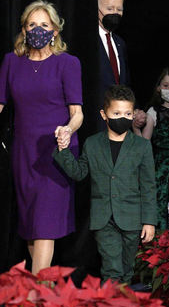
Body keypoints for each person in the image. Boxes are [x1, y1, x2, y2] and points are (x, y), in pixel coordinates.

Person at [0, 0, 83, 275]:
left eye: (44, 25)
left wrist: (68, 130)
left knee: (45, 224)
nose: (38, 29)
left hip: (57, 150)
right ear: (23, 29)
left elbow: (77, 113)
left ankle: (36, 296)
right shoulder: (12, 62)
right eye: (32, 24)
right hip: (25, 152)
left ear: (55, 31)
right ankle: (42, 289)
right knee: (32, 226)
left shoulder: (68, 63)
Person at [53, 85, 156, 283]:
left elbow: (149, 185)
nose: (122, 117)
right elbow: (79, 172)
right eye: (116, 113)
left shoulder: (142, 146)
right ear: (104, 114)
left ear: (133, 114)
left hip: (132, 218)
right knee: (112, 269)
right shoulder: (92, 143)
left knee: (127, 269)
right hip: (104, 219)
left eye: (127, 113)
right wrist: (63, 150)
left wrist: (149, 221)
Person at [133, 68, 169, 230]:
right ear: (158, 88)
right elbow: (144, 143)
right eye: (166, 85)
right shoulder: (154, 112)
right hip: (161, 167)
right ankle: (159, 241)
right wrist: (135, 128)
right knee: (160, 201)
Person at [96, 0, 146, 132]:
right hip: (95, 121)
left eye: (119, 10)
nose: (115, 14)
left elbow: (124, 83)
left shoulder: (120, 43)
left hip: (119, 124)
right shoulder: (85, 42)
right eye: (110, 9)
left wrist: (134, 109)